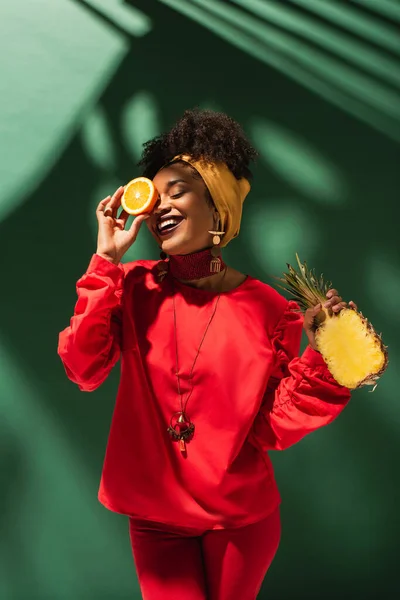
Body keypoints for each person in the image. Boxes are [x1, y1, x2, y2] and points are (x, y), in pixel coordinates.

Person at [58, 109, 354, 600]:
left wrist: (325, 356)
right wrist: (106, 262)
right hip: (157, 519)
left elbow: (269, 426)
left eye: (178, 191)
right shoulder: (129, 287)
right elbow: (83, 368)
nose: (160, 206)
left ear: (216, 206)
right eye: (154, 196)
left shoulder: (269, 309)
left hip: (240, 520)